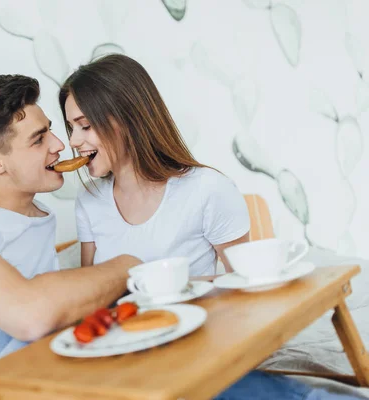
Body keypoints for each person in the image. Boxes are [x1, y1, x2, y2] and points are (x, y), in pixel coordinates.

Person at [59, 53, 362, 400]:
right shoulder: (89, 202)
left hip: (195, 348)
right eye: (70, 127)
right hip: (124, 360)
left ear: (125, 119)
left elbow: (248, 292)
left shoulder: (206, 189)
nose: (73, 141)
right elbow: (92, 297)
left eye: (84, 126)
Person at [0, 74, 142, 400]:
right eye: (38, 139)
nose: (60, 145)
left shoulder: (40, 216)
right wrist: (128, 266)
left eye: (50, 130)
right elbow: (29, 316)